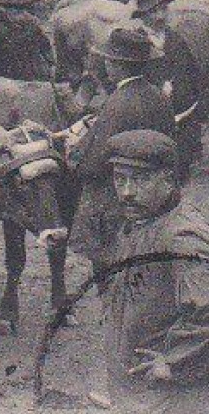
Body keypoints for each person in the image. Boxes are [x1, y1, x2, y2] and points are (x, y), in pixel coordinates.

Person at [91, 129, 209, 414]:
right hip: (147, 403)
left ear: (168, 180)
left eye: (140, 180)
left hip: (180, 410)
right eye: (120, 179)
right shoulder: (142, 225)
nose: (127, 192)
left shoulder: (181, 238)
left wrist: (171, 362)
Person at [66, 25, 177, 259]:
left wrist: (74, 150)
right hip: (157, 194)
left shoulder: (117, 102)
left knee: (109, 262)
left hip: (120, 200)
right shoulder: (159, 96)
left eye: (107, 61)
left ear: (115, 64)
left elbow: (92, 163)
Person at [0, 0, 53, 82]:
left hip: (32, 77)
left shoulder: (33, 24)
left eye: (23, 8)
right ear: (4, 9)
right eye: (15, 8)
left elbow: (45, 47)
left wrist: (50, 66)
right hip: (5, 80)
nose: (21, 13)